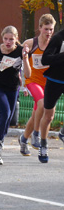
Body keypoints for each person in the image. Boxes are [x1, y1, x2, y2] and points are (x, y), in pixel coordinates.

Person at [0, 26, 30, 165]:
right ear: (2, 38)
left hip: (13, 88)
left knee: (7, 120)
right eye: (5, 39)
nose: (8, 42)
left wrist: (25, 58)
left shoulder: (20, 51)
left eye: (11, 39)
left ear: (16, 39)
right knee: (5, 111)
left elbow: (28, 74)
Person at [18, 14, 55, 156]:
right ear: (40, 28)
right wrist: (24, 57)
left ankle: (23, 139)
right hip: (33, 80)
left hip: (49, 82)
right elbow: (21, 62)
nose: (49, 32)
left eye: (51, 29)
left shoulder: (55, 44)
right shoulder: (30, 43)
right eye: (46, 29)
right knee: (42, 105)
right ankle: (36, 134)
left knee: (38, 115)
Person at [37, 23, 64, 163]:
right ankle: (43, 144)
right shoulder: (58, 38)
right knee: (49, 116)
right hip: (55, 81)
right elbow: (45, 59)